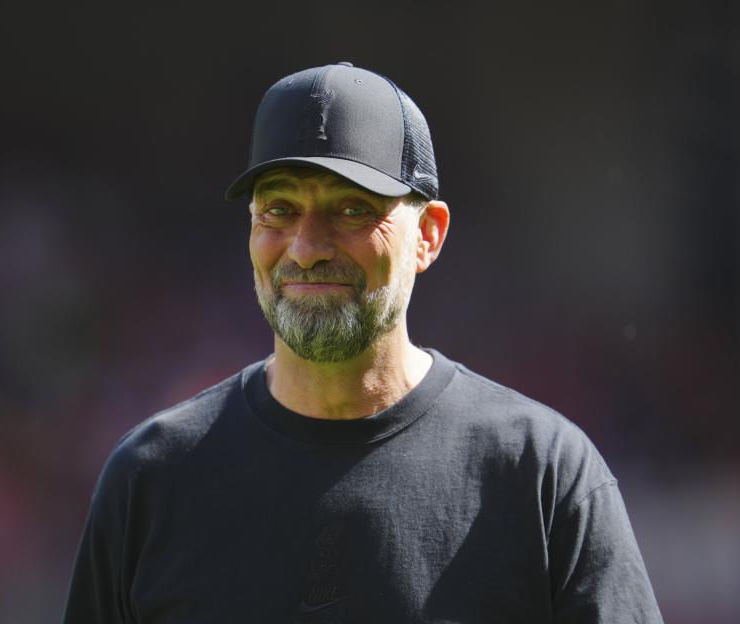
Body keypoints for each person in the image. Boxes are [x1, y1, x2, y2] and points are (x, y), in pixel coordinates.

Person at [62, 62, 662, 623]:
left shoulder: (540, 473)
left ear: (428, 235)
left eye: (352, 209)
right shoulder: (151, 479)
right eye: (278, 209)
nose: (306, 247)